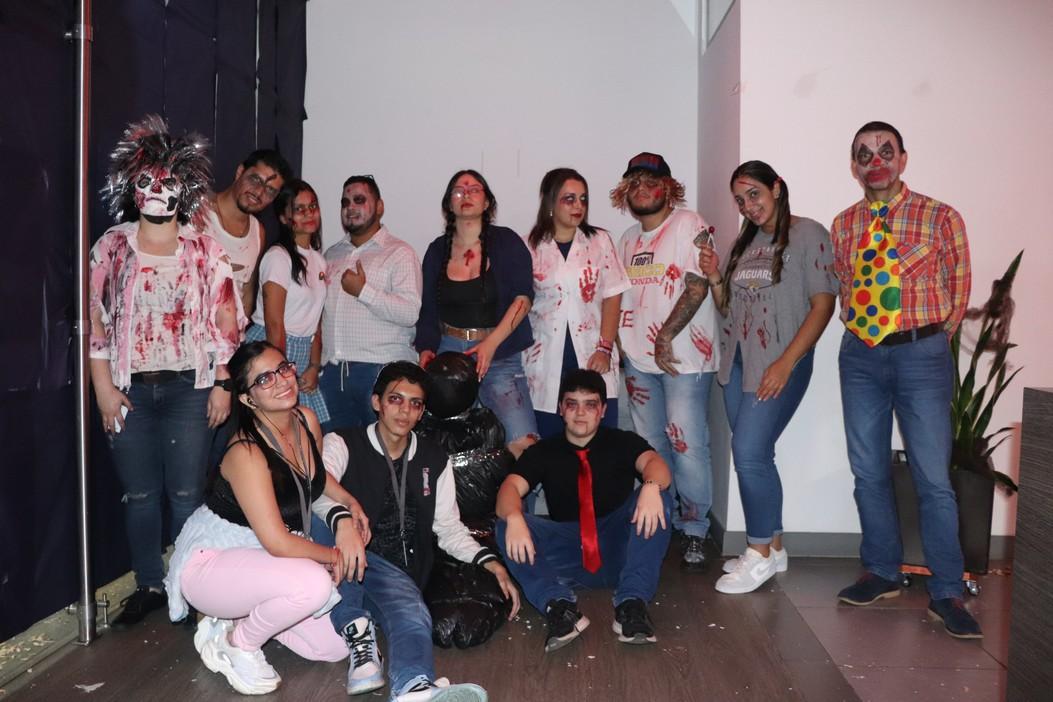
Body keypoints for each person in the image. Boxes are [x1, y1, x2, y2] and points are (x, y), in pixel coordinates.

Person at [90, 115, 243, 629]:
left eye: (168, 181)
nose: (157, 190)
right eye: (146, 180)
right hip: (129, 393)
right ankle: (150, 585)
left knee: (185, 496)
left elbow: (226, 320)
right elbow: (94, 322)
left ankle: (189, 585)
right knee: (139, 496)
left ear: (186, 189)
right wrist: (103, 389)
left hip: (189, 392)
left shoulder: (205, 250)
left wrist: (222, 383)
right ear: (131, 186)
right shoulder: (111, 247)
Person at [830, 121, 979, 639]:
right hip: (861, 356)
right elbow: (846, 286)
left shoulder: (941, 216)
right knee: (868, 470)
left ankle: (947, 591)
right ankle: (882, 571)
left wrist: (926, 340)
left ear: (903, 159)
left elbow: (958, 289)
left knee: (933, 478)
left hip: (921, 354)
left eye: (885, 151)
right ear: (854, 167)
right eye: (864, 154)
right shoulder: (844, 224)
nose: (876, 161)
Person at [164, 341, 370, 695]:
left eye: (283, 368)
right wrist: (332, 556)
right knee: (314, 585)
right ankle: (237, 642)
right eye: (264, 379)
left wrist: (350, 505)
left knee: (335, 646)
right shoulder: (246, 452)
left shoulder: (306, 420)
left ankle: (237, 616)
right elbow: (277, 542)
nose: (282, 381)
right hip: (212, 562)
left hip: (261, 557)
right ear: (247, 399)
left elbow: (313, 480)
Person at [312, 361, 520, 701]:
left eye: (415, 403)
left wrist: (490, 562)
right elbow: (317, 485)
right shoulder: (343, 443)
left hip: (398, 575)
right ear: (377, 402)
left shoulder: (434, 458)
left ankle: (413, 687)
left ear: (422, 412)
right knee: (321, 520)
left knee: (413, 613)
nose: (405, 411)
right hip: (348, 558)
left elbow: (448, 527)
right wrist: (343, 519)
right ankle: (358, 632)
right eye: (395, 399)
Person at [698, 161, 836, 594]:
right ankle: (774, 548)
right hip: (739, 364)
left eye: (754, 194)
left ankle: (756, 553)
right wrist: (715, 275)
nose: (748, 206)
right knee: (757, 455)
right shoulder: (746, 241)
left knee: (749, 452)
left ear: (776, 187)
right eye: (740, 200)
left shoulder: (808, 233)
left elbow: (823, 305)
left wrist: (786, 363)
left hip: (780, 364)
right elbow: (727, 308)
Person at [495, 369, 672, 652]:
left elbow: (655, 464)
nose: (580, 413)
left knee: (658, 496)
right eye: (572, 404)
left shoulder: (623, 441)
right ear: (560, 409)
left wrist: (651, 486)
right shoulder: (544, 451)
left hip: (620, 546)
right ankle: (559, 607)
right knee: (506, 522)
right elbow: (510, 488)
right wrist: (514, 516)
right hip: (567, 551)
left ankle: (632, 605)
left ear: (602, 411)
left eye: (590, 405)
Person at [609, 152, 720, 572]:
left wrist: (665, 336)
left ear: (669, 189)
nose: (642, 189)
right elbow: (618, 298)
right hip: (638, 363)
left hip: (684, 360)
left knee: (687, 444)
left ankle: (694, 528)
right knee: (651, 445)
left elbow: (697, 286)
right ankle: (663, 519)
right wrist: (621, 347)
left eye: (651, 181)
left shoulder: (689, 225)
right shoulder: (626, 239)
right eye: (634, 182)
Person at [415, 169, 537, 458]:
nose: (466, 195)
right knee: (443, 447)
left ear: (487, 202)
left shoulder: (507, 242)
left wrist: (490, 344)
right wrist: (426, 350)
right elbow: (428, 309)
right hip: (448, 354)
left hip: (500, 352)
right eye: (459, 191)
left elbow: (523, 298)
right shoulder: (437, 250)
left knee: (523, 443)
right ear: (449, 204)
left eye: (474, 190)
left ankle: (515, 492)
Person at [524, 168, 630, 438]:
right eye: (569, 199)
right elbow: (521, 304)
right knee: (550, 443)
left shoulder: (600, 241)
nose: (578, 206)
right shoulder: (529, 247)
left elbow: (613, 295)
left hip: (593, 353)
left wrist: (605, 348)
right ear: (550, 202)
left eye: (583, 199)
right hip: (547, 358)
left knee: (599, 441)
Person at [319, 175, 422, 431]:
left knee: (383, 451)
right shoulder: (331, 255)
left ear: (379, 207)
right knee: (334, 450)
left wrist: (363, 291)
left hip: (380, 371)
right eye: (345, 202)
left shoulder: (399, 253)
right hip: (332, 373)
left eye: (359, 200)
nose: (350, 207)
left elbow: (410, 312)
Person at [245, 179, 330, 424]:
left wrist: (314, 365)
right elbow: (274, 323)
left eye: (312, 206)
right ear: (284, 218)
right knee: (271, 425)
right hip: (273, 347)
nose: (309, 214)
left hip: (301, 352)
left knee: (307, 429)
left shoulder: (319, 260)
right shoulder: (278, 257)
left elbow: (316, 321)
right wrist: (281, 370)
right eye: (299, 209)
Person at [204, 149, 292, 320]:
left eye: (270, 190)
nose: (259, 192)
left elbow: (247, 293)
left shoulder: (258, 232)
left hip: (230, 334)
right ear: (240, 172)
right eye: (255, 179)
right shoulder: (200, 214)